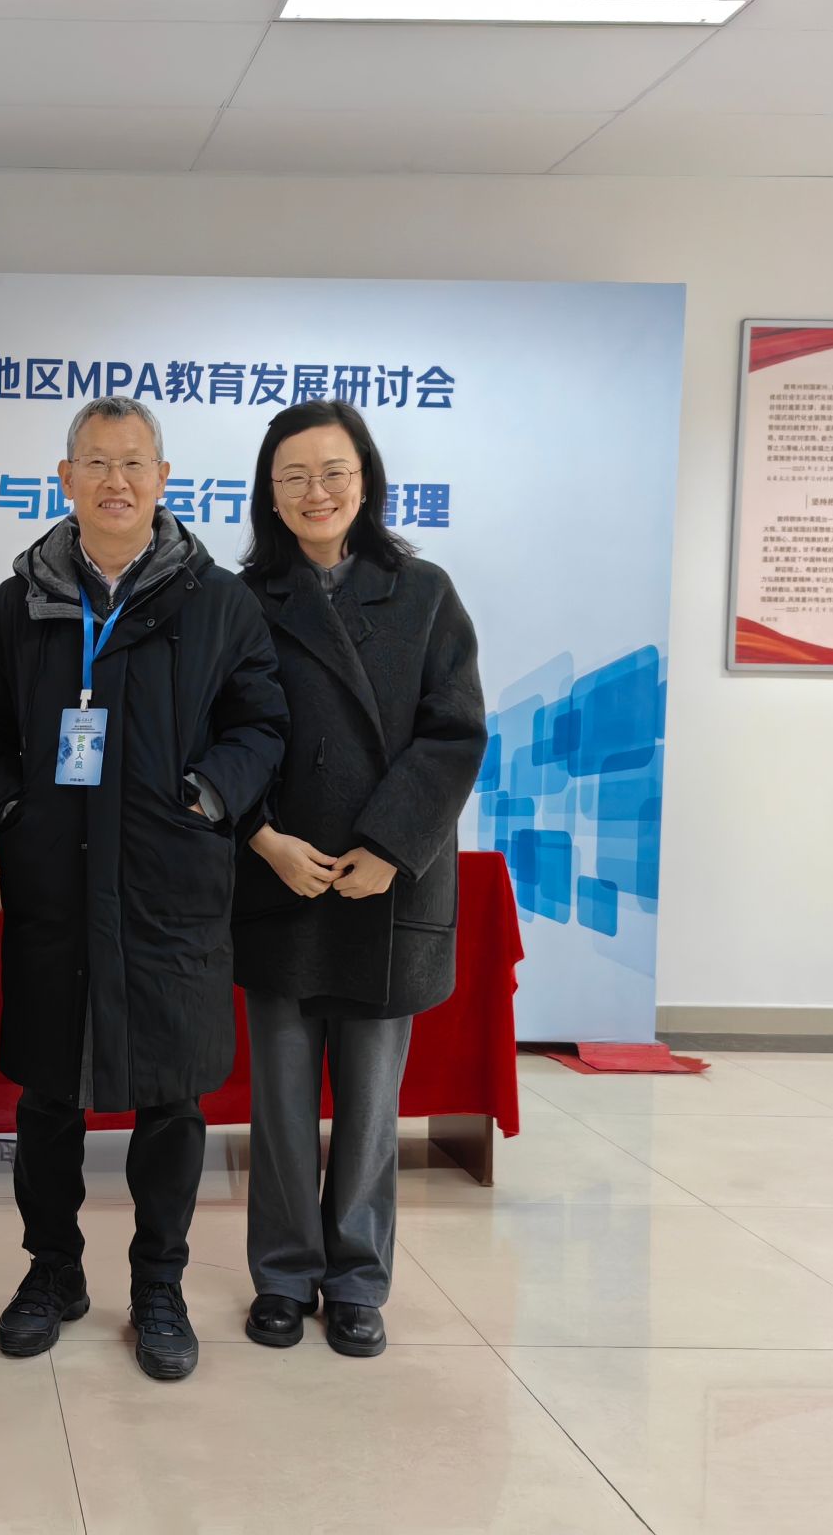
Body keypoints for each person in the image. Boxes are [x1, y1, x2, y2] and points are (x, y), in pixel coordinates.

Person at [0, 397, 286, 1382]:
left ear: (163, 479)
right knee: (46, 1097)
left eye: (133, 463)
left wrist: (206, 795)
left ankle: (159, 1284)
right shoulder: (19, 603)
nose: (116, 481)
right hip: (54, 884)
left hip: (167, 885)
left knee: (171, 1099)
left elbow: (261, 724)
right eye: (96, 464)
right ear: (64, 479)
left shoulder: (217, 601)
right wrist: (13, 807)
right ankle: (52, 1271)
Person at [231, 400, 487, 1359]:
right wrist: (263, 838)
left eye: (333, 472)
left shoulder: (423, 593)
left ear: (367, 480)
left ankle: (356, 1281)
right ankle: (282, 1274)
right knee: (281, 1103)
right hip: (281, 879)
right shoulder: (241, 599)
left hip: (385, 885)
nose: (316, 492)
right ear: (269, 493)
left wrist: (388, 845)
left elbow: (453, 733)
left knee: (373, 1106)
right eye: (293, 476)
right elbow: (217, 735)